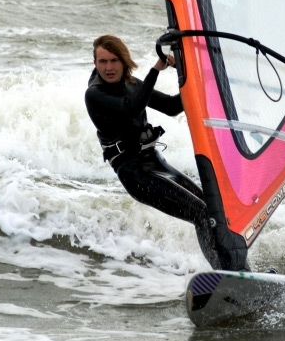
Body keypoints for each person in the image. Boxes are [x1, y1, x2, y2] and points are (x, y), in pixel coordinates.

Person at [85, 34, 249, 271]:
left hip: (155, 162)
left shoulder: (132, 83)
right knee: (202, 214)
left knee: (213, 209)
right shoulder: (95, 94)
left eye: (113, 60)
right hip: (135, 173)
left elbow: (172, 107)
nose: (108, 67)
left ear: (123, 60)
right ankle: (225, 273)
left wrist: (197, 78)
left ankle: (242, 270)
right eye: (102, 62)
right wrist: (156, 70)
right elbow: (131, 108)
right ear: (95, 63)